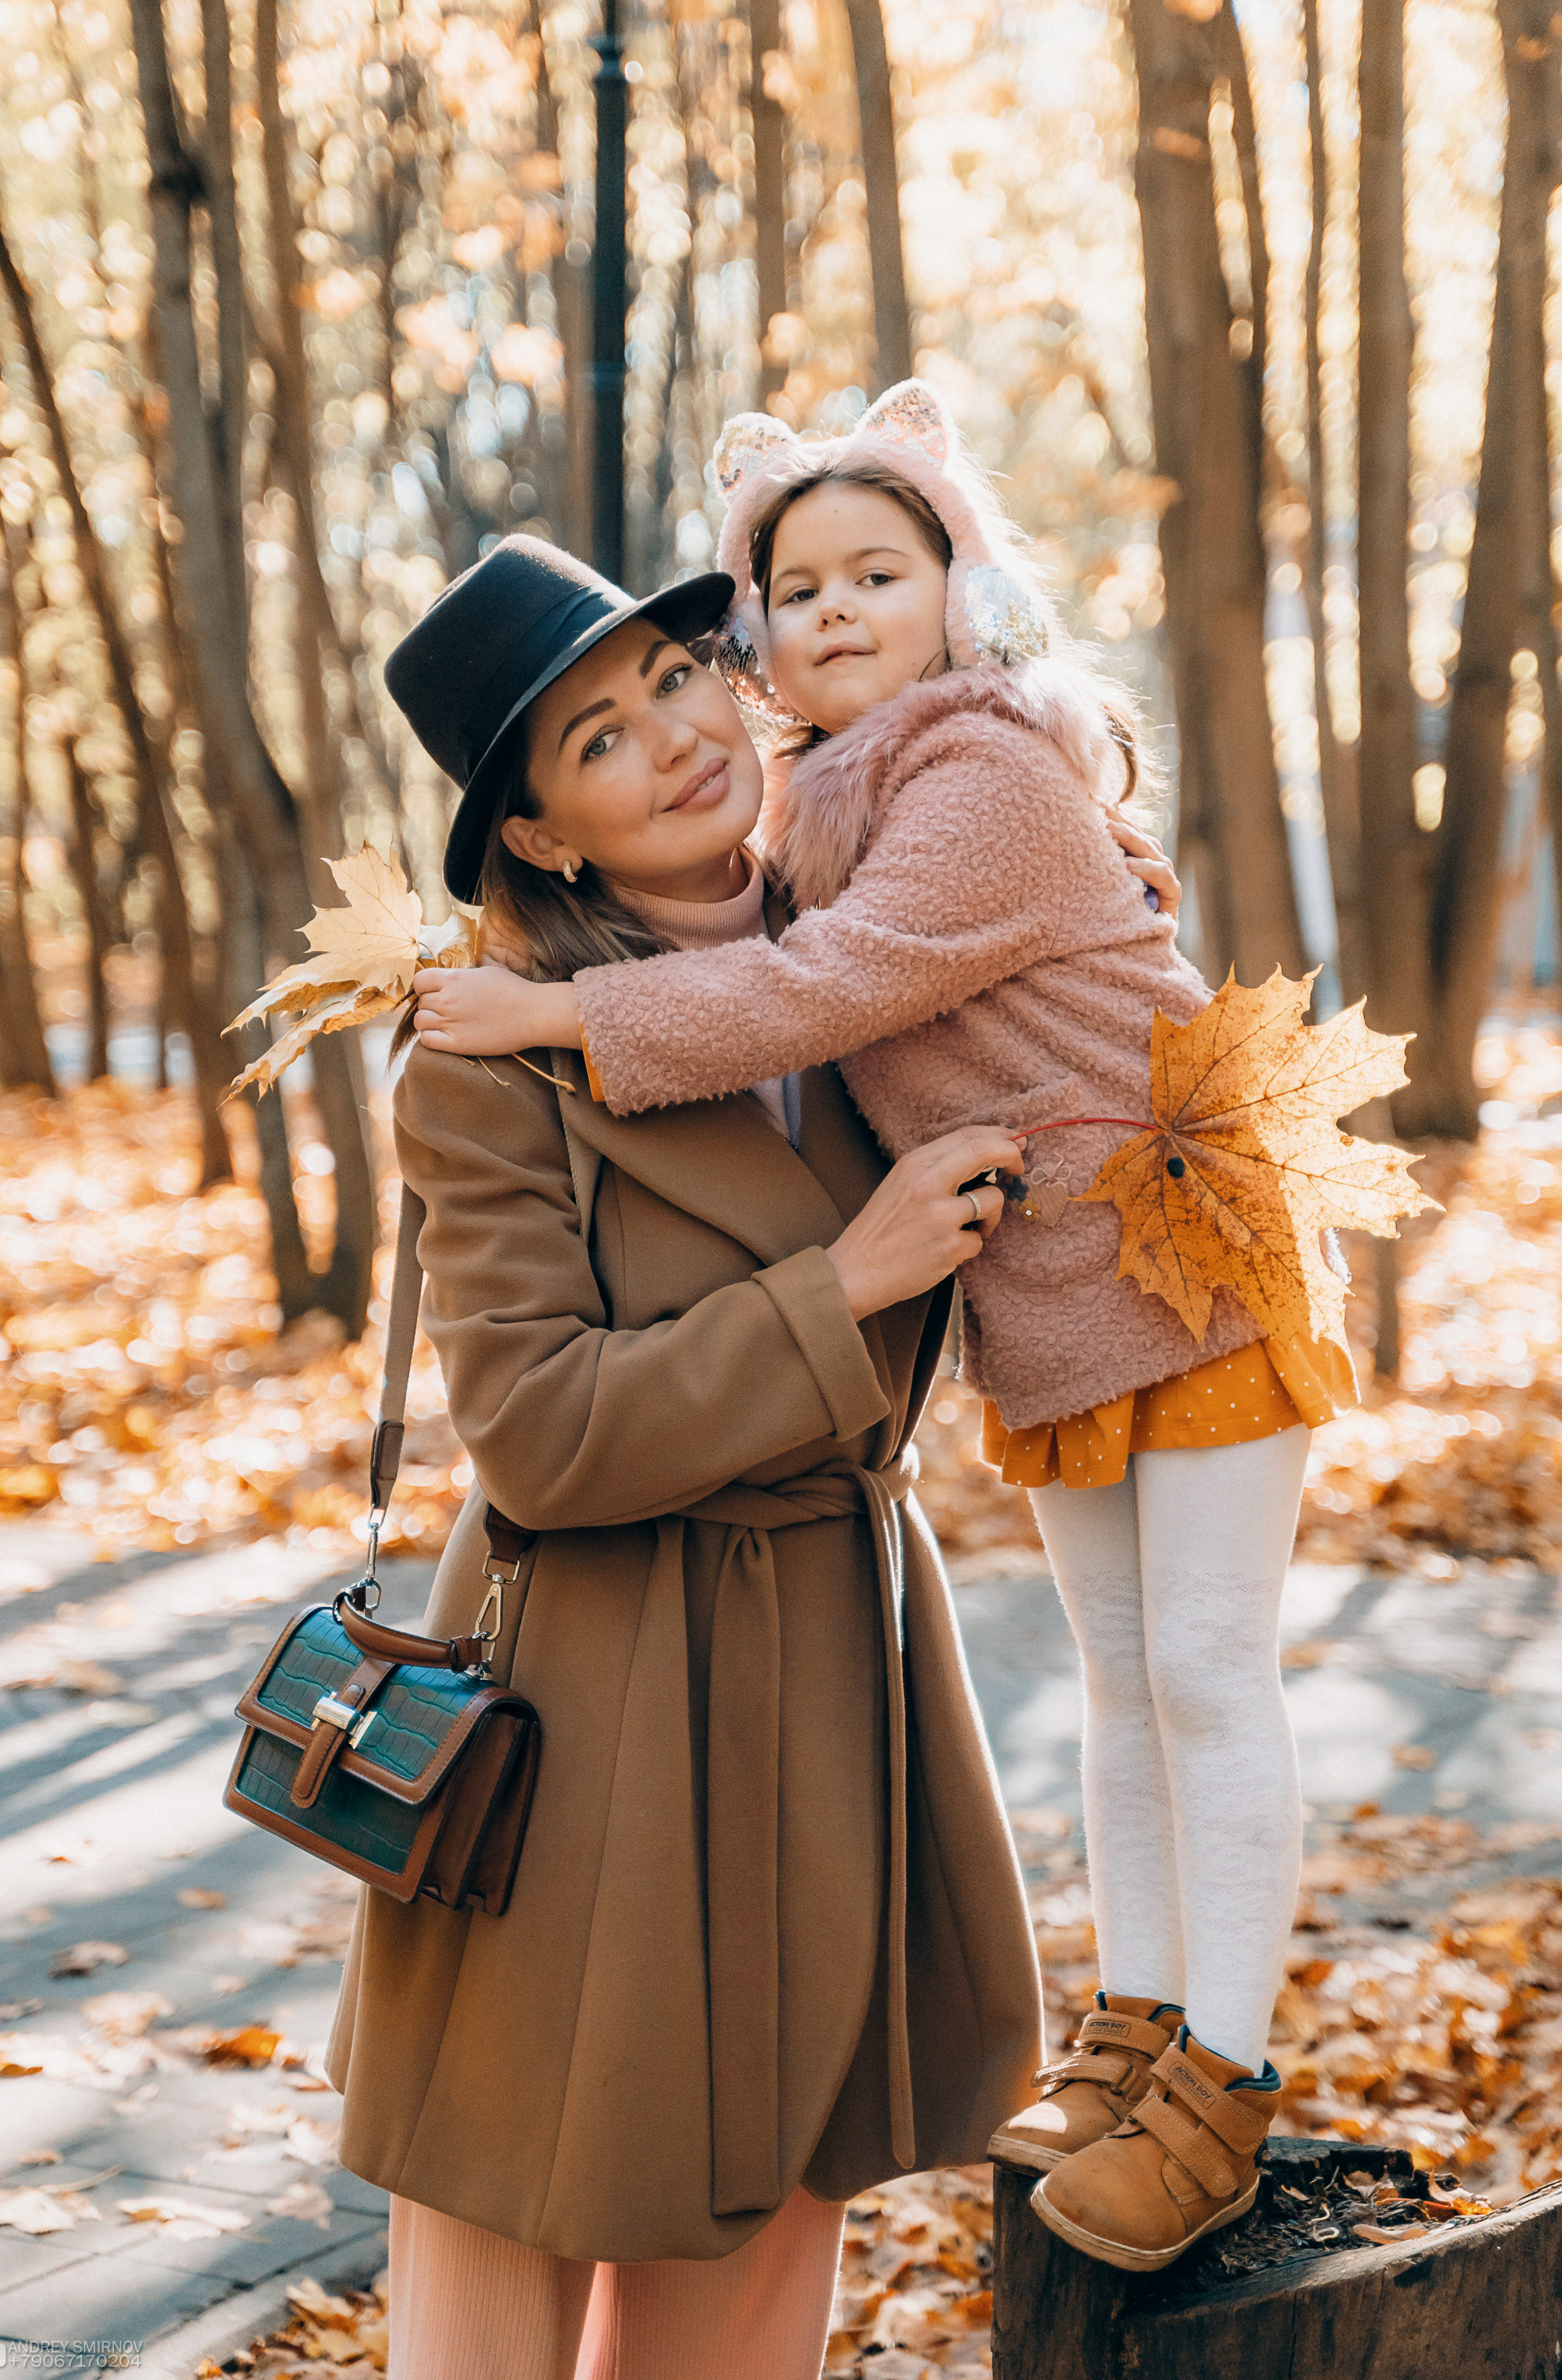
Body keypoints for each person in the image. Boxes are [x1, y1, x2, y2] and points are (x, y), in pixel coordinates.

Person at [409, 381, 1363, 2276]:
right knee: (1120, 1678)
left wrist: (563, 1019)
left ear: (962, 584)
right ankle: (1140, 2034)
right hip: (1062, 1302)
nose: (834, 611)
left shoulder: (979, 774)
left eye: (882, 569)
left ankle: (1223, 2089)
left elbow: (829, 987)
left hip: (1185, 1255)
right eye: (794, 586)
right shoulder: (840, 804)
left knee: (1198, 1668)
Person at [326, 533, 1045, 2380]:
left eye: (671, 679)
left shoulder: (874, 962)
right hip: (583, 1725)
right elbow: (542, 1438)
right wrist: (846, 1281)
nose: (670, 738)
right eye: (594, 739)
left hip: (826, 1677)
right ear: (546, 835)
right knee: (508, 2240)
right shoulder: (492, 1058)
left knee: (752, 2262)